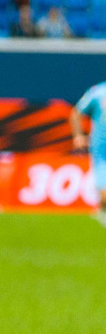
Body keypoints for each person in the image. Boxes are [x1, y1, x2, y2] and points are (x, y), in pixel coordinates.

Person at [71, 82, 106, 226]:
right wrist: (78, 135)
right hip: (102, 151)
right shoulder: (98, 92)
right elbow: (76, 113)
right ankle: (102, 211)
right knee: (104, 194)